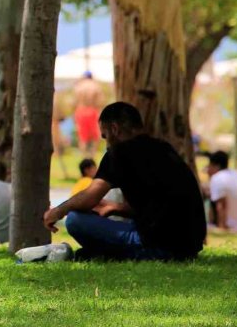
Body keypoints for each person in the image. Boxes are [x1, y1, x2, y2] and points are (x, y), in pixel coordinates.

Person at [43, 102, 206, 261]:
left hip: (156, 244)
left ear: (114, 129)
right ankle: (108, 253)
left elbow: (90, 197)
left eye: (105, 136)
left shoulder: (118, 153)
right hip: (188, 248)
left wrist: (58, 211)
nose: (107, 144)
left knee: (75, 220)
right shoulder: (164, 149)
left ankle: (113, 254)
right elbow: (162, 206)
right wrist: (117, 208)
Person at [204, 150, 237, 231]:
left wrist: (222, 228)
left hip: (234, 225)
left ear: (216, 166)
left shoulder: (217, 178)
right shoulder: (235, 173)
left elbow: (222, 205)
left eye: (209, 166)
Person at [72, 72, 105, 156]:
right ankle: (92, 155)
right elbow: (100, 101)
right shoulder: (96, 86)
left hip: (80, 111)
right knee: (95, 136)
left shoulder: (78, 86)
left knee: (82, 136)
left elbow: (74, 102)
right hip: (92, 111)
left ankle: (83, 156)